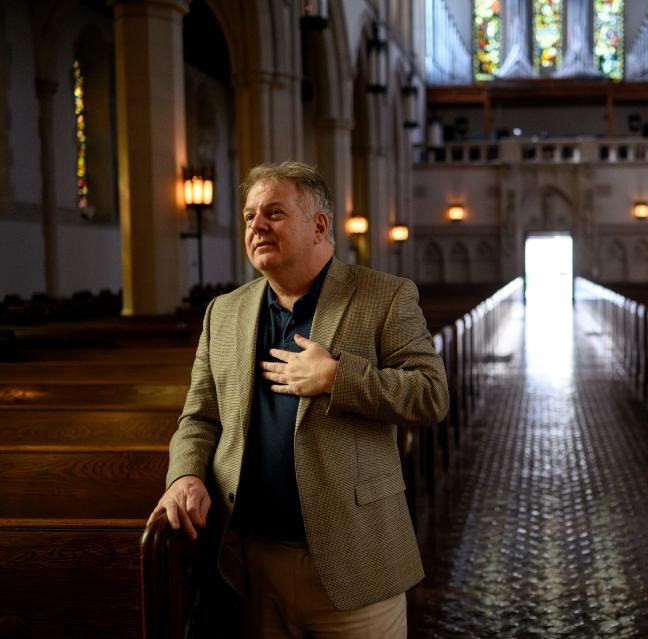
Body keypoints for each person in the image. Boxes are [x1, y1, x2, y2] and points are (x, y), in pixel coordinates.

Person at [148, 161, 448, 638]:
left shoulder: (384, 296)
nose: (257, 226)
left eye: (274, 213)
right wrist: (184, 474)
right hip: (251, 566)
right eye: (249, 216)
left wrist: (337, 377)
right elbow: (199, 417)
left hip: (355, 563)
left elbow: (431, 396)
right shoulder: (223, 313)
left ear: (320, 226)